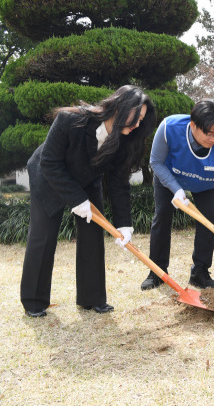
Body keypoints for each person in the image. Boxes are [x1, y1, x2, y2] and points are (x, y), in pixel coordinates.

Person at [21, 85, 156, 317]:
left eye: (142, 120)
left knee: (93, 233)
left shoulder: (125, 140)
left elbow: (119, 183)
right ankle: (34, 301)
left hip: (87, 179)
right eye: (136, 117)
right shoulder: (70, 120)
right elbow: (50, 162)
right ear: (119, 107)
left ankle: (91, 298)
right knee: (43, 236)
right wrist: (76, 200)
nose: (137, 125)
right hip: (49, 176)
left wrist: (125, 225)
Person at [141, 100, 214, 290]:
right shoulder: (169, 128)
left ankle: (200, 271)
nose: (213, 139)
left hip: (204, 184)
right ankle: (157, 271)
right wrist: (176, 189)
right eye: (209, 134)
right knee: (162, 216)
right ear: (193, 125)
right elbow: (156, 162)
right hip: (169, 178)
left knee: (207, 221)